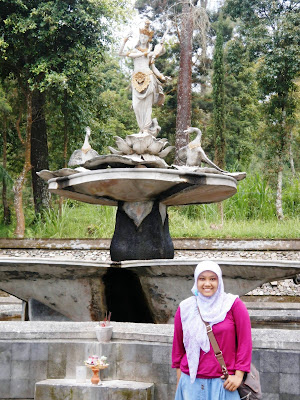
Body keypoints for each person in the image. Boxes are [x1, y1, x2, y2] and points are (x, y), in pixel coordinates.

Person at [172, 260, 252, 400]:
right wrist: (180, 384)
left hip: (224, 383)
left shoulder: (233, 305)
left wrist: (238, 376)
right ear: (196, 281)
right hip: (191, 383)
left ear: (219, 281)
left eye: (212, 279)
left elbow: (245, 342)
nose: (207, 284)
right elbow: (178, 348)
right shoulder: (185, 308)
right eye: (202, 279)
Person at [119, 20, 168, 134]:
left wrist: (162, 77)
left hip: (148, 78)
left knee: (147, 107)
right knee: (136, 106)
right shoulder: (136, 51)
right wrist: (124, 41)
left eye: (145, 37)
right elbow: (120, 53)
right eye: (141, 36)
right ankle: (142, 128)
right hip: (136, 80)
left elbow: (154, 67)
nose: (142, 38)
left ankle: (145, 130)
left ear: (148, 39)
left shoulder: (151, 52)